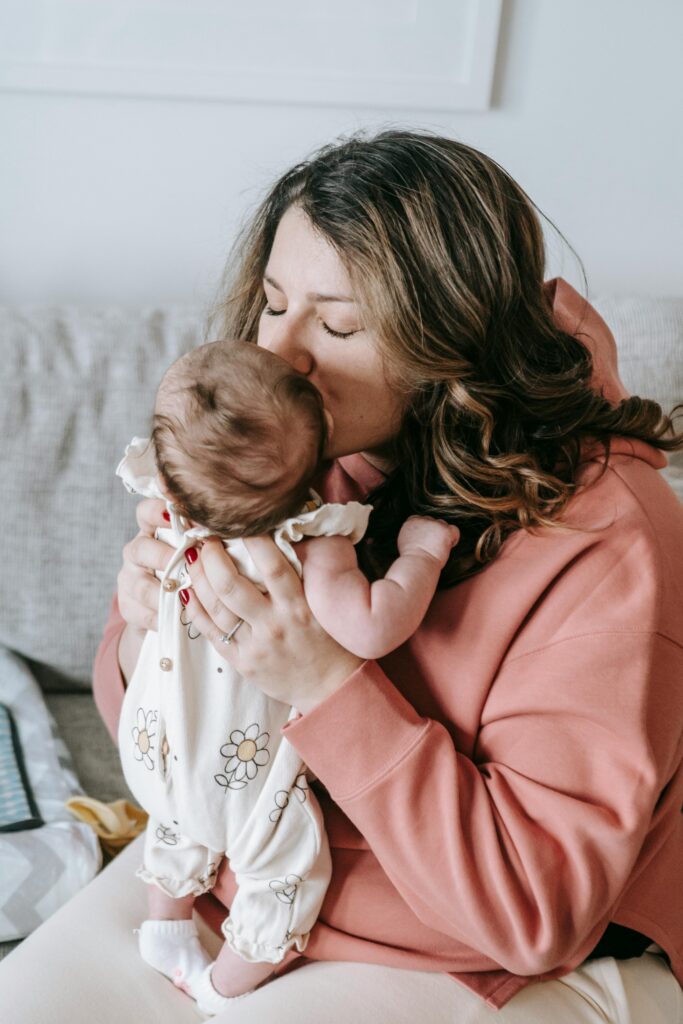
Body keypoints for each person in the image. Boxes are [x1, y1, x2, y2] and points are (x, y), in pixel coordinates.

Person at [1, 129, 681, 1023]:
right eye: (273, 303)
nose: (281, 355)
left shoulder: (608, 545)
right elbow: (170, 742)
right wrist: (143, 632)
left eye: (338, 324)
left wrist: (327, 682)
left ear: (454, 341)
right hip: (237, 874)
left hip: (478, 955)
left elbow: (533, 912)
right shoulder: (287, 448)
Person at [115, 339, 457, 1014]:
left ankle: (165, 925)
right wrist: (420, 554)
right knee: (283, 876)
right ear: (324, 438)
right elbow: (371, 628)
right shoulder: (308, 539)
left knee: (178, 820)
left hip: (150, 744)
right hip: (241, 777)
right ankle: (224, 987)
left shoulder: (172, 515)